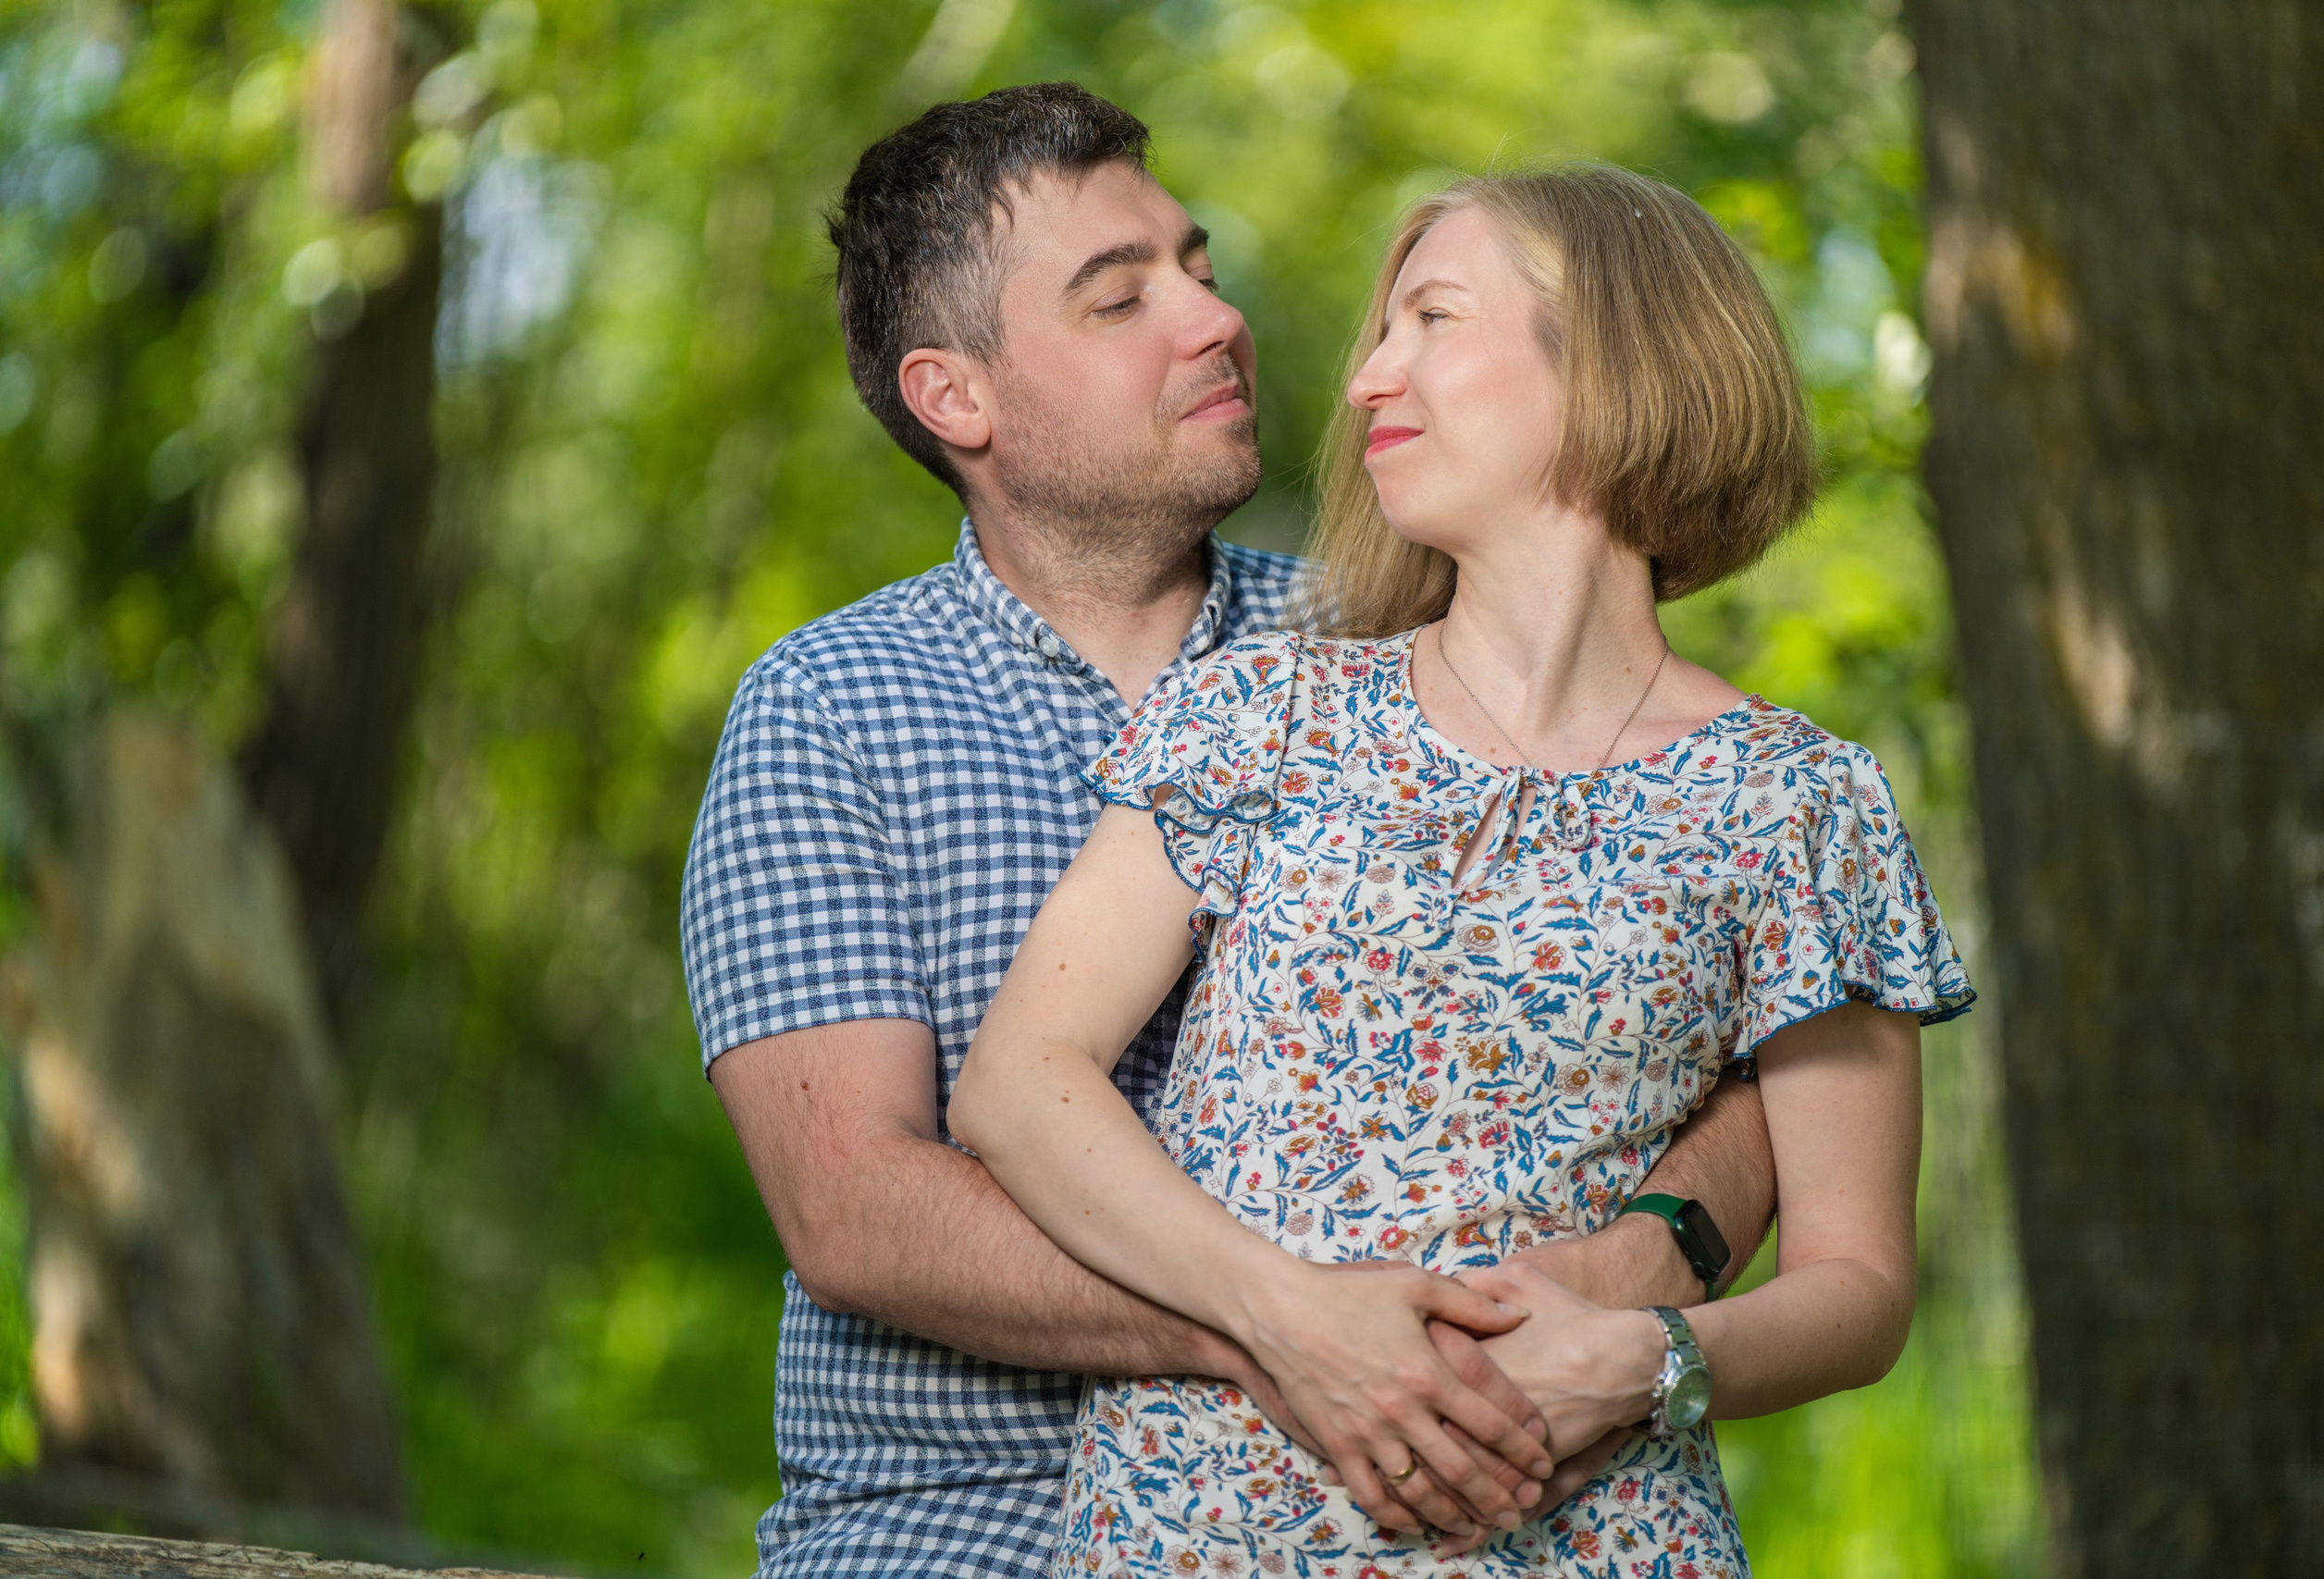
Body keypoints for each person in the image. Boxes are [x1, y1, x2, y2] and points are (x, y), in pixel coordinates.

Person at [683, 86, 1779, 1579]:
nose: (1215, 320)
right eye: (1120, 297)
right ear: (959, 398)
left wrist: (1658, 1253)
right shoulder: (829, 711)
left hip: (1442, 1501)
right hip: (957, 1525)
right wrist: (1285, 1325)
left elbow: (1755, 1033)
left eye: (1196, 267)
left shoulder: (1397, 642)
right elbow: (856, 1209)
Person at [946, 164, 1977, 1577]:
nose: (1371, 374)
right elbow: (1021, 1081)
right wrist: (1285, 1313)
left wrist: (1648, 1362)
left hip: (1597, 1540)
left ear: (1613, 353)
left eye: (1430, 318)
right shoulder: (1260, 714)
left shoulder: (1801, 803)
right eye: (1380, 332)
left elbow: (1859, 1290)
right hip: (1202, 1537)